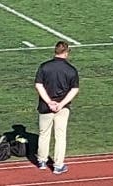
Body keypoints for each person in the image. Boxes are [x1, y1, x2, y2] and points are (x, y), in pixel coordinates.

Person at [35, 41, 79, 175]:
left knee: (44, 133)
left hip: (45, 107)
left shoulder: (44, 67)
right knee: (60, 136)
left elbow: (38, 85)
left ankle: (42, 160)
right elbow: (74, 89)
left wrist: (48, 102)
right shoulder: (71, 70)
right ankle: (58, 165)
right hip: (62, 107)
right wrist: (61, 104)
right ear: (66, 52)